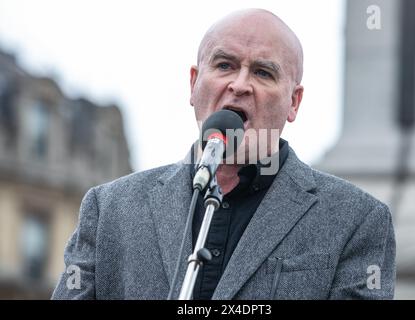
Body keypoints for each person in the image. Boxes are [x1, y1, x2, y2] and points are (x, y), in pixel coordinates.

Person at [52, 8, 396, 300]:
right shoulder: (110, 209)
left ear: (294, 102)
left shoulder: (358, 220)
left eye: (263, 72)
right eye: (224, 65)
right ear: (193, 84)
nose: (240, 84)